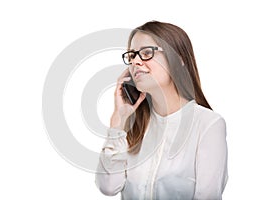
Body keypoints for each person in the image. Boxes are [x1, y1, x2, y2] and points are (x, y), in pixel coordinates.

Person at [95, 21, 228, 200]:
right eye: (132, 55)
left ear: (178, 58)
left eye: (147, 53)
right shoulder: (134, 126)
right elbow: (108, 187)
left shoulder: (208, 124)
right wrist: (118, 121)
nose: (135, 61)